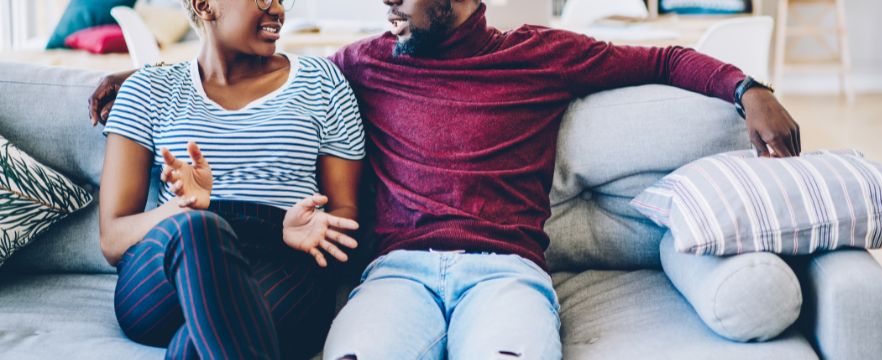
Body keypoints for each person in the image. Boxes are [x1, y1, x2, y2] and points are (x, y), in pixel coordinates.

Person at [90, 1, 801, 359]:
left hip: (506, 275)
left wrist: (750, 89)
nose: (388, 3)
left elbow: (667, 60)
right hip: (395, 276)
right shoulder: (364, 63)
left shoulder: (542, 56)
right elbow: (260, 70)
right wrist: (146, 79)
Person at [96, 0, 365, 358]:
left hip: (282, 260)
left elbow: (344, 215)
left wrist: (305, 226)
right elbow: (113, 239)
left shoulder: (322, 83)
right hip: (167, 270)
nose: (278, 9)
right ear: (204, 5)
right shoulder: (146, 90)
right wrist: (183, 207)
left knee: (200, 341)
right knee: (200, 228)